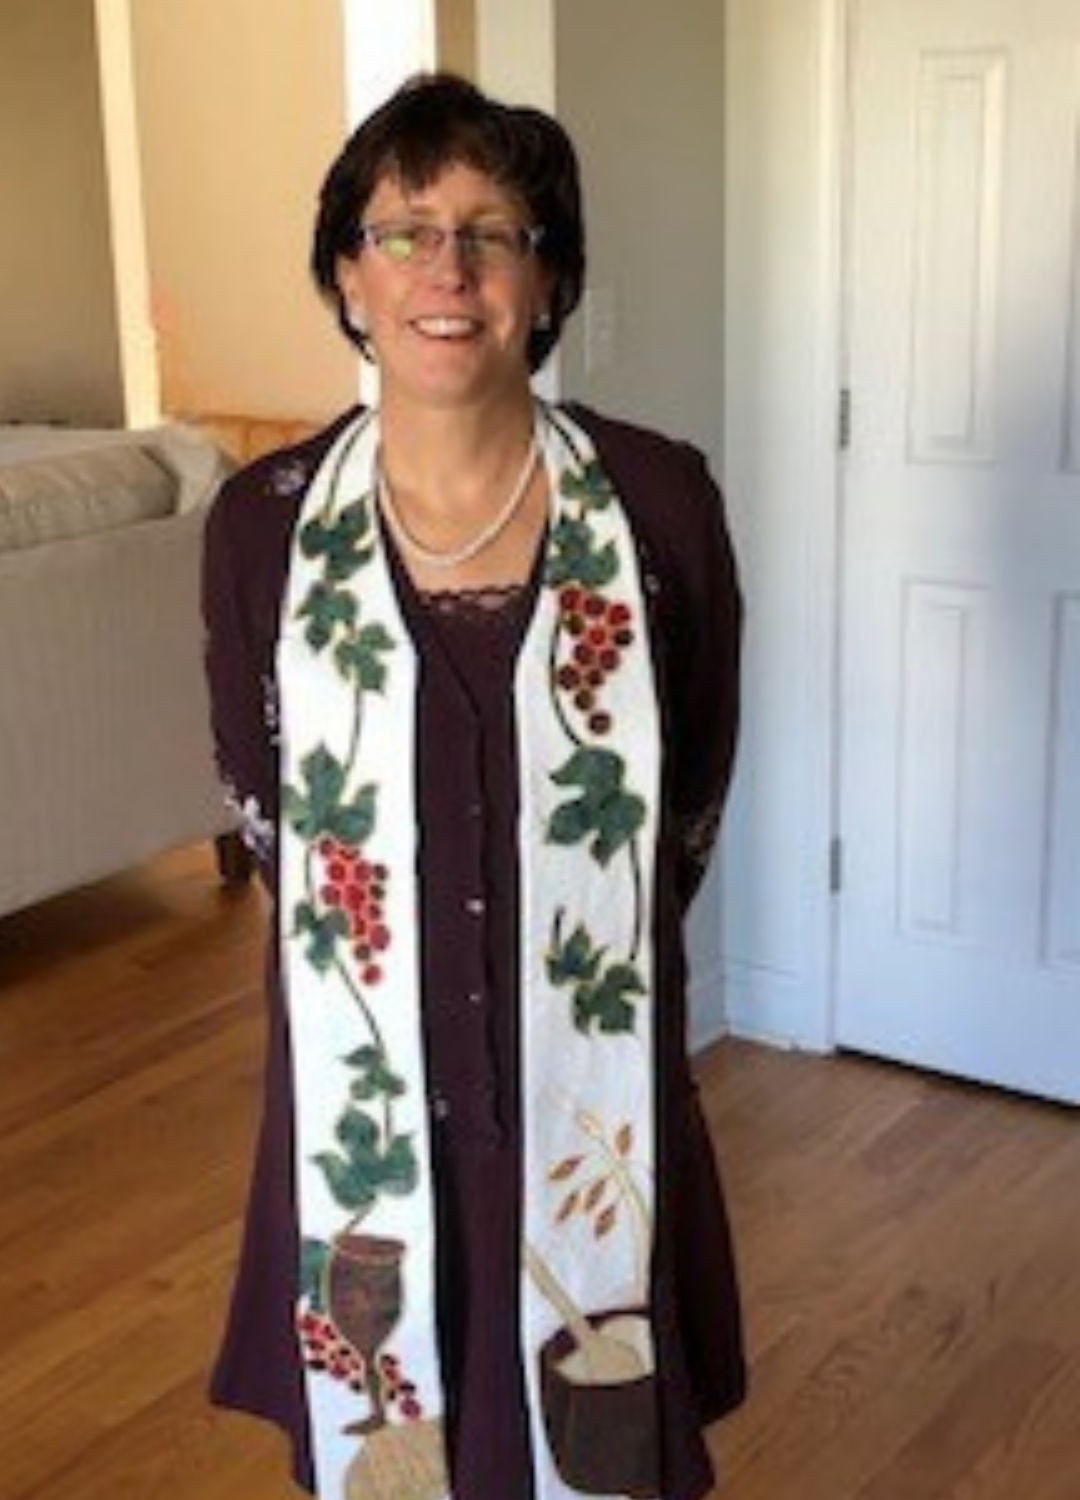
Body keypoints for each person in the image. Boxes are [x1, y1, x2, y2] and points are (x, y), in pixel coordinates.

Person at [202, 72, 745, 1500]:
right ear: (348, 274)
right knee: (398, 1420)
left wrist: (562, 960)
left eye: (493, 232)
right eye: (403, 232)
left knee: (588, 1405)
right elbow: (269, 807)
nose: (447, 270)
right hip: (370, 1089)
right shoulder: (260, 530)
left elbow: (689, 797)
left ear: (546, 278)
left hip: (590, 1095)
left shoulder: (660, 504)